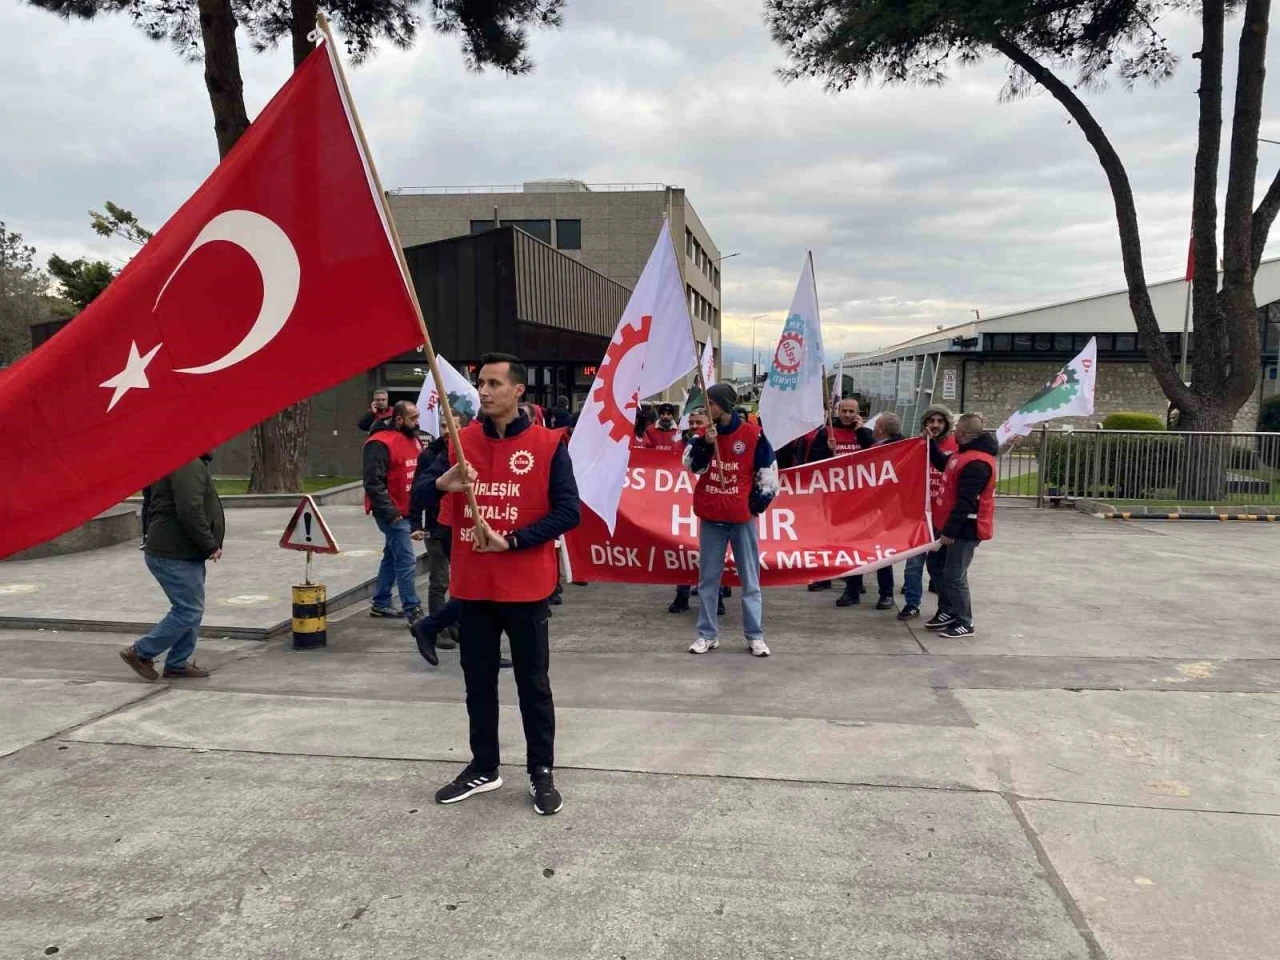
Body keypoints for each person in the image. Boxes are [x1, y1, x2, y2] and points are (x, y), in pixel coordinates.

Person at [414, 353, 580, 815]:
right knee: (478, 683)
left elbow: (569, 512)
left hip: (526, 587)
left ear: (518, 390)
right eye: (481, 383)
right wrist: (443, 483)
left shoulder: (548, 444)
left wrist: (513, 540)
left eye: (493, 384)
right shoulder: (459, 442)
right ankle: (484, 766)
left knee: (533, 684)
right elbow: (417, 495)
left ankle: (541, 770)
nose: (484, 392)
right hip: (473, 587)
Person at [684, 383, 778, 657]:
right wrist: (705, 444)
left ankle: (755, 636)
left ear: (723, 405)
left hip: (741, 519)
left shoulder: (753, 435)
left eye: (710, 403)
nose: (706, 408)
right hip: (712, 517)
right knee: (708, 581)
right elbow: (691, 465)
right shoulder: (703, 434)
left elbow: (769, 472)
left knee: (750, 580)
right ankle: (707, 635)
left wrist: (755, 505)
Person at [119, 454, 224, 681]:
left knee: (192, 608)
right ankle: (141, 652)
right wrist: (210, 544)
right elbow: (190, 509)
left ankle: (177, 663)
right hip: (173, 552)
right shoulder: (187, 462)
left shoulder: (183, 460)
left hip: (182, 550)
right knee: (188, 610)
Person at [924, 413, 998, 639]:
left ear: (963, 433)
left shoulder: (977, 463)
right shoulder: (962, 454)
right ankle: (947, 610)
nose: (953, 432)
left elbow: (966, 502)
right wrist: (929, 443)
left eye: (956, 429)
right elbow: (944, 465)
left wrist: (950, 531)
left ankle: (965, 621)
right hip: (949, 524)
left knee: (955, 575)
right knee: (936, 565)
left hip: (965, 528)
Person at [806, 398, 875, 602]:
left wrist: (862, 432)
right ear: (837, 411)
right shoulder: (826, 432)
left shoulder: (865, 433)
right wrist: (827, 450)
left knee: (854, 542)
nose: (847, 415)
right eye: (844, 411)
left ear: (858, 412)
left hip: (857, 497)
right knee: (829, 540)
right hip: (831, 496)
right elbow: (811, 463)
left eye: (851, 411)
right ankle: (825, 577)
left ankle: (854, 584)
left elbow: (876, 455)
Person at [363, 401, 425, 622]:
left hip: (406, 510)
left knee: (392, 556)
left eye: (418, 417)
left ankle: (380, 603)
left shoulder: (414, 439)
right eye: (413, 418)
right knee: (406, 560)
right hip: (392, 513)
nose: (418, 422)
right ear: (399, 420)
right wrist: (390, 511)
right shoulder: (379, 443)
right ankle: (412, 609)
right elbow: (373, 483)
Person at [899, 405, 957, 621]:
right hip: (919, 515)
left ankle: (945, 608)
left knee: (940, 568)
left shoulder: (955, 446)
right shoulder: (916, 444)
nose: (935, 425)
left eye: (940, 421)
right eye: (931, 421)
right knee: (913, 564)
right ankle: (912, 603)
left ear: (947, 424)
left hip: (943, 515)